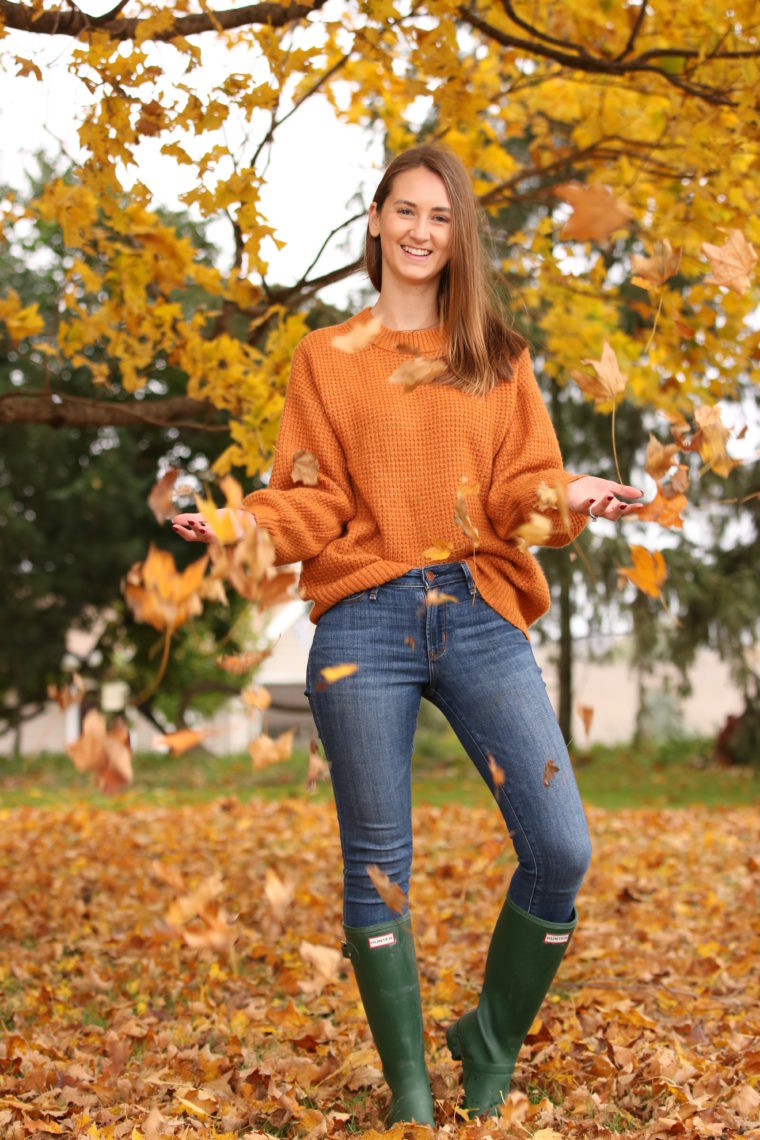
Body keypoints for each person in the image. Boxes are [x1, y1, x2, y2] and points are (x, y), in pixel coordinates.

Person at [173, 145, 643, 1124]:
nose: (423, 230)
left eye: (441, 216)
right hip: (365, 619)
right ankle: (413, 1097)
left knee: (560, 846)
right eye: (406, 210)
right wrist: (246, 523)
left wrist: (574, 496)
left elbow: (523, 490)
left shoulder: (498, 359)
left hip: (478, 610)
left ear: (455, 234)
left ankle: (487, 1037)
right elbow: (313, 497)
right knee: (377, 863)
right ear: (377, 220)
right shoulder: (325, 359)